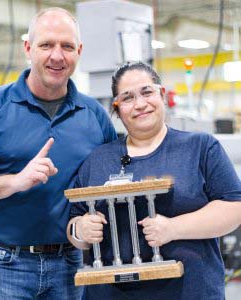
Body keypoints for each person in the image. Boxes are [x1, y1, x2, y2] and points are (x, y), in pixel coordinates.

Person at [0, 7, 116, 300]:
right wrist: (15, 181)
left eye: (67, 46)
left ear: (79, 51)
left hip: (69, 264)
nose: (57, 56)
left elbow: (111, 184)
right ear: (28, 48)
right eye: (46, 45)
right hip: (0, 264)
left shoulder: (95, 116)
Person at [67, 61, 241, 300]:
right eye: (127, 98)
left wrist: (172, 228)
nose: (140, 104)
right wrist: (80, 230)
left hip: (191, 291)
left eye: (147, 92)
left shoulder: (200, 147)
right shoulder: (98, 160)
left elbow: (234, 207)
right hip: (111, 294)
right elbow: (73, 222)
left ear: (161, 94)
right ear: (117, 108)